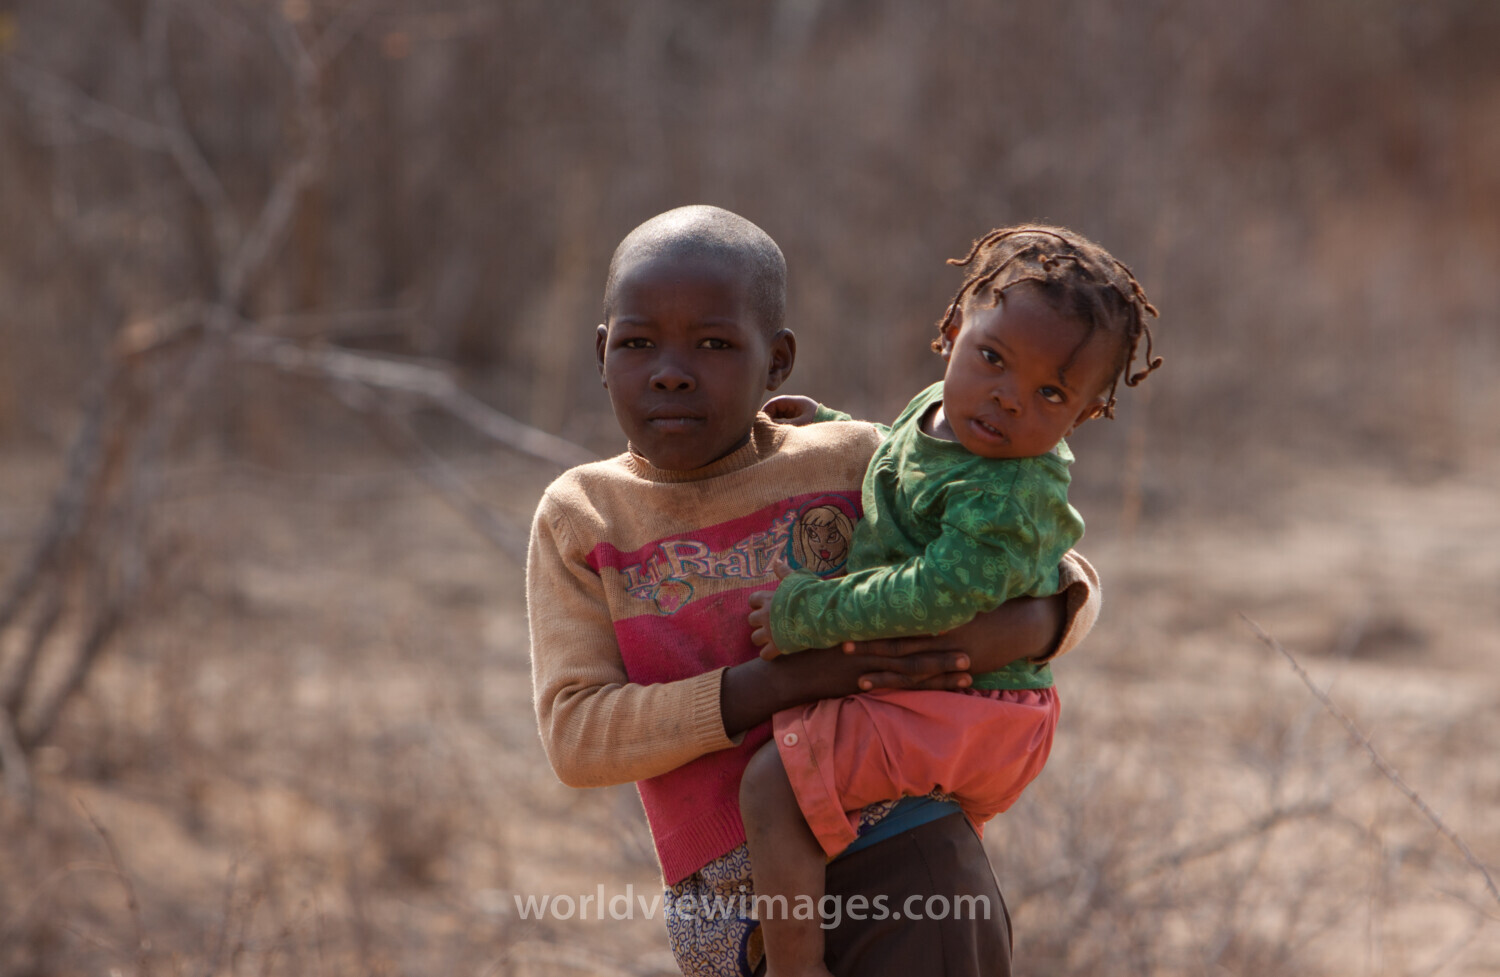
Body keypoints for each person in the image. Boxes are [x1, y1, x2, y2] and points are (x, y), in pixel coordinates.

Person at [526, 206, 1103, 977]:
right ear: (601, 354)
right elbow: (576, 736)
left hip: (901, 858)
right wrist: (788, 681)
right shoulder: (583, 515)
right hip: (724, 909)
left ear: (778, 361)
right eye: (637, 343)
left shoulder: (848, 458)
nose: (670, 369)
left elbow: (1051, 572)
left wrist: (999, 635)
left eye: (715, 343)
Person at [739, 225, 1161, 977]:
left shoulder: (1011, 491)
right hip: (948, 692)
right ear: (953, 329)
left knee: (776, 779)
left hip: (984, 706)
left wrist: (811, 614)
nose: (1006, 397)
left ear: (1086, 413)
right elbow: (902, 463)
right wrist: (830, 429)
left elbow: (935, 598)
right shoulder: (942, 407)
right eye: (992, 358)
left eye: (1050, 393)